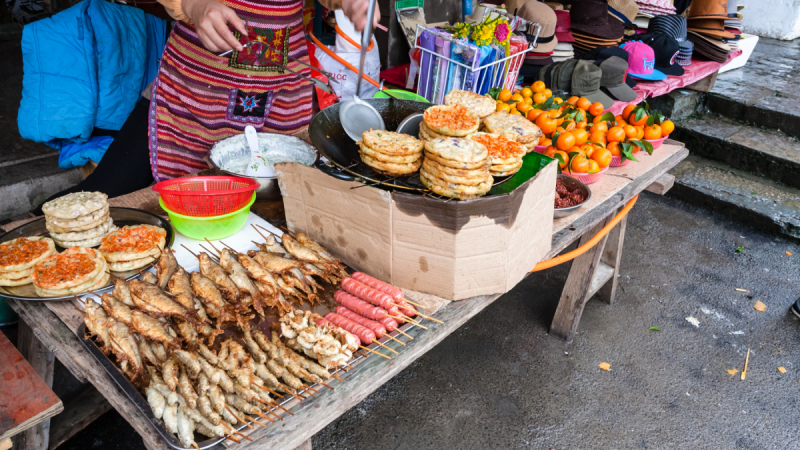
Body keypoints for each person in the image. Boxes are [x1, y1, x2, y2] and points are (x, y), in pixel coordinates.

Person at [35, 0, 377, 210]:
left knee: (267, 213)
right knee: (103, 194)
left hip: (277, 98)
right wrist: (196, 5)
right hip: (191, 97)